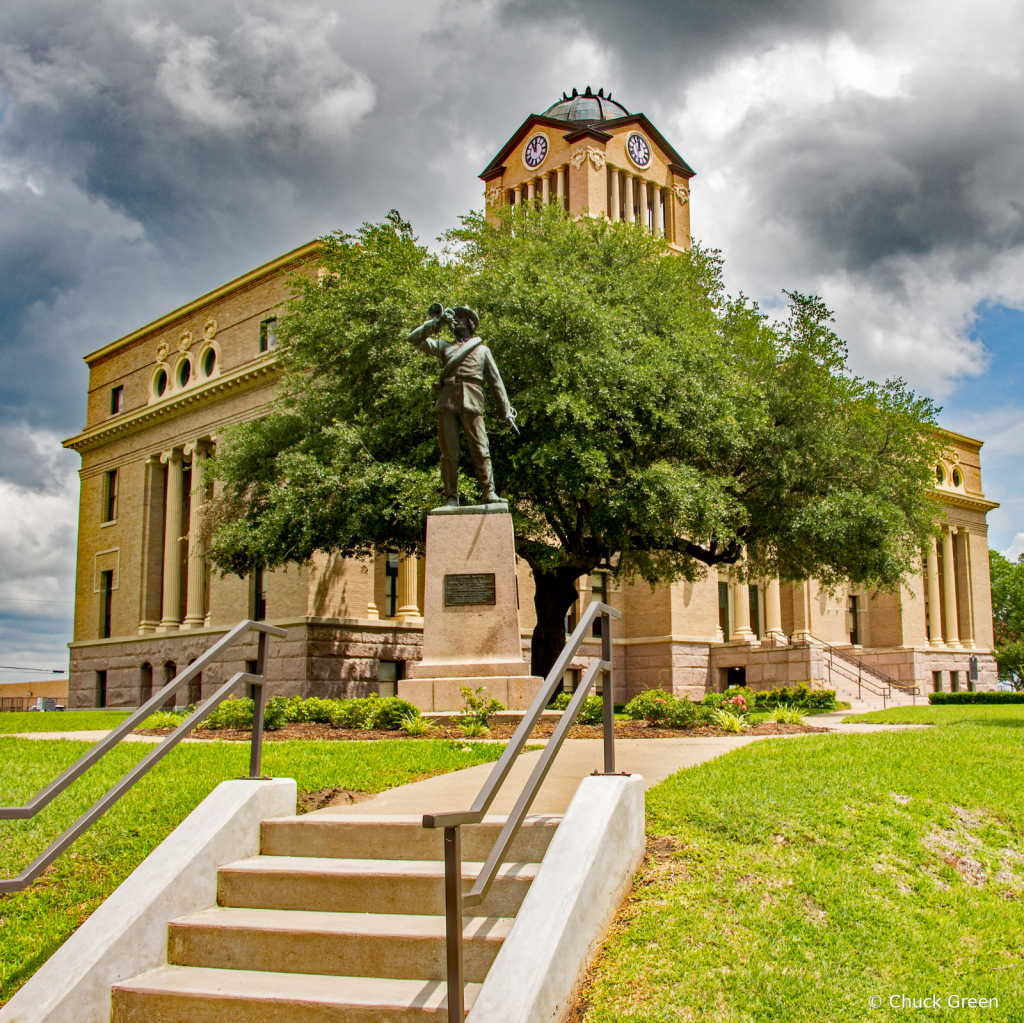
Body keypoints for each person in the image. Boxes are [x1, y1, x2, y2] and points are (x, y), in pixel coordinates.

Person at [408, 305, 518, 507]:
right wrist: (436, 323)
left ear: (470, 322)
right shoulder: (444, 347)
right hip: (447, 400)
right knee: (449, 454)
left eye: (461, 317)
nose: (456, 320)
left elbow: (496, 381)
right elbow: (413, 339)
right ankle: (451, 497)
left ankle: (489, 492)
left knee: (480, 449)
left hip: (473, 399)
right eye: (454, 317)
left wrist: (505, 411)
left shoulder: (482, 350)